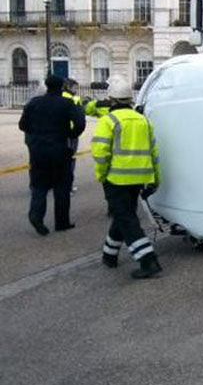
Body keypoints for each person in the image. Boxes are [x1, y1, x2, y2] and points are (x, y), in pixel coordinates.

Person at [92, 76, 163, 279]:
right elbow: (153, 151)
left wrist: (101, 175)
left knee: (126, 219)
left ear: (111, 99)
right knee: (124, 215)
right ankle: (109, 254)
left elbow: (100, 152)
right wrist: (155, 178)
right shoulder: (143, 120)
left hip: (116, 179)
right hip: (140, 178)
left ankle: (148, 261)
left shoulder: (109, 120)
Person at [18, 75, 86, 235]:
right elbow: (80, 123)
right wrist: (71, 134)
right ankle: (62, 221)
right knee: (62, 186)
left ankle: (36, 215)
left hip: (38, 150)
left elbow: (22, 125)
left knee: (39, 186)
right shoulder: (67, 103)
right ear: (62, 86)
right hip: (60, 148)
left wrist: (36, 134)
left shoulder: (33, 103)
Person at [62, 78, 82, 192]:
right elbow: (79, 118)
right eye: (74, 87)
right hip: (71, 132)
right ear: (68, 87)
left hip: (61, 133)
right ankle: (68, 186)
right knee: (71, 159)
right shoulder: (73, 99)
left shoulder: (61, 97)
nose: (76, 89)